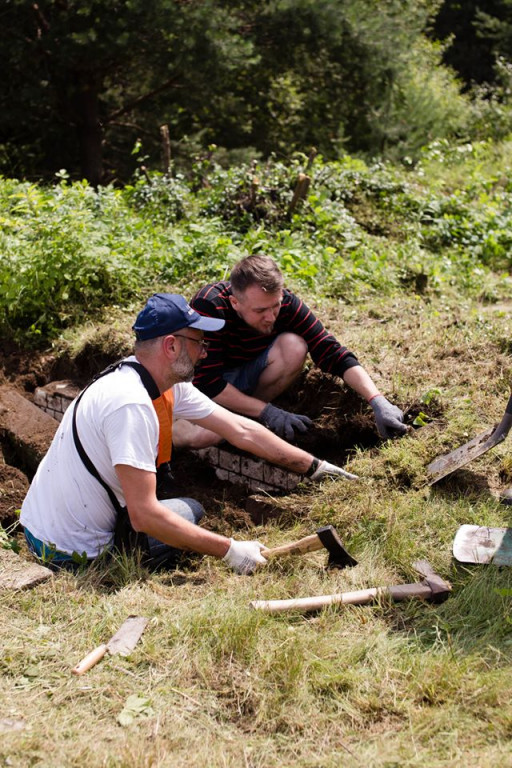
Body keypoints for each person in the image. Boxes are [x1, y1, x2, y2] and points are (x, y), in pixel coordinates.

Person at [20, 293, 357, 576]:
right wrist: (230, 550)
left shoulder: (152, 380)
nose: (205, 352)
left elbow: (240, 429)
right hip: (70, 554)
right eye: (199, 343)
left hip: (40, 525)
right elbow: (145, 515)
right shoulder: (131, 406)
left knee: (181, 508)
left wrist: (315, 467)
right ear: (171, 346)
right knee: (190, 511)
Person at [180, 254, 407, 447]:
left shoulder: (286, 303)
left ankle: (246, 414)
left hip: (249, 374)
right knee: (202, 437)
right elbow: (207, 382)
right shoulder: (209, 306)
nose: (271, 317)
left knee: (294, 346)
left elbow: (330, 350)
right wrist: (268, 412)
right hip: (204, 386)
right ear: (235, 302)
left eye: (275, 305)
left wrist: (377, 400)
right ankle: (172, 439)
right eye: (260, 310)